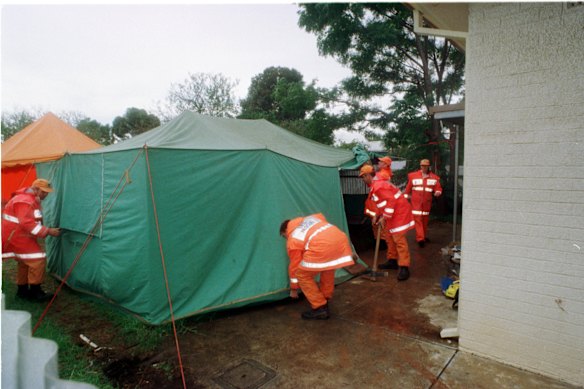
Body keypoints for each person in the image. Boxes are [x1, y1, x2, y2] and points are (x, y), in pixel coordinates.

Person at [279, 213, 354, 320]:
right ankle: (325, 297)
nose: (286, 238)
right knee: (327, 268)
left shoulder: (293, 239)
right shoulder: (311, 219)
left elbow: (295, 265)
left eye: (284, 236)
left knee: (302, 275)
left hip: (322, 247)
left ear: (286, 231)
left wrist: (294, 288)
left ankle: (320, 307)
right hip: (340, 239)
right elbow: (322, 219)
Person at [2, 178, 61, 301]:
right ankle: (35, 293)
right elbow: (27, 223)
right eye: (44, 191)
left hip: (17, 234)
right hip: (18, 235)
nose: (46, 194)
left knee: (24, 261)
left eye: (47, 192)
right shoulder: (25, 201)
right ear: (36, 189)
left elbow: (31, 221)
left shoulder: (28, 198)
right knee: (37, 259)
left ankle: (22, 291)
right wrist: (48, 231)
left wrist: (44, 229)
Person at [360, 165, 414, 281]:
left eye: (363, 177)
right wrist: (377, 214)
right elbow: (383, 203)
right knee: (389, 237)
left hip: (399, 213)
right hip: (392, 213)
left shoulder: (378, 186)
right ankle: (393, 260)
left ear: (367, 175)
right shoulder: (376, 185)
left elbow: (391, 200)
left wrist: (384, 216)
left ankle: (404, 267)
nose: (363, 180)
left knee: (399, 240)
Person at [404, 159, 443, 247]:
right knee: (418, 220)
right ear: (420, 166)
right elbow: (408, 189)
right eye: (422, 165)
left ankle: (423, 236)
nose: (424, 167)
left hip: (426, 203)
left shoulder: (434, 178)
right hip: (416, 203)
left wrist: (438, 192)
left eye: (425, 166)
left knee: (425, 221)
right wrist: (406, 197)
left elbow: (438, 188)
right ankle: (420, 239)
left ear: (428, 166)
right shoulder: (413, 176)